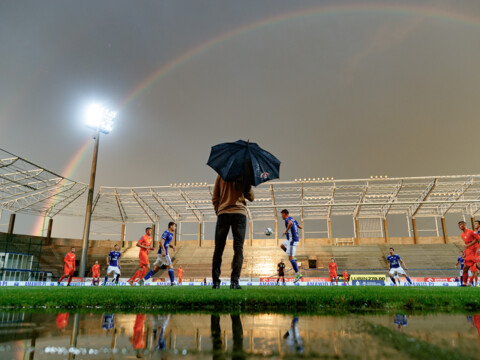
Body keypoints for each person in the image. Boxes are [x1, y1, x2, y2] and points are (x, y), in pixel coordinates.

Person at [211, 174, 254, 289]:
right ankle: (234, 282)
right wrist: (248, 184)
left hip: (223, 213)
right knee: (238, 248)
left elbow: (215, 197)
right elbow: (251, 197)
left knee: (218, 248)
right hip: (239, 213)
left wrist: (218, 211)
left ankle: (215, 282)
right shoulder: (244, 174)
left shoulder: (221, 175)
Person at [280, 209, 303, 283]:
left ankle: (298, 274)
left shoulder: (287, 219)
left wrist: (286, 231)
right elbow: (300, 227)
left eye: (281, 214)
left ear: (284, 214)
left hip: (292, 240)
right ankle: (293, 257)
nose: (281, 216)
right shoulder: (293, 219)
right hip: (290, 239)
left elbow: (290, 224)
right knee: (282, 246)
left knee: (290, 258)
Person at [459, 221, 480, 286]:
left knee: (478, 267)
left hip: (475, 251)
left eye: (461, 225)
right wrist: (464, 252)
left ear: (465, 225)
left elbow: (478, 239)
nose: (460, 226)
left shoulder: (471, 232)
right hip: (469, 252)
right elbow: (466, 244)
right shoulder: (462, 235)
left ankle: (474, 283)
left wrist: (479, 248)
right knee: (465, 268)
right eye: (459, 225)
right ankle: (464, 284)